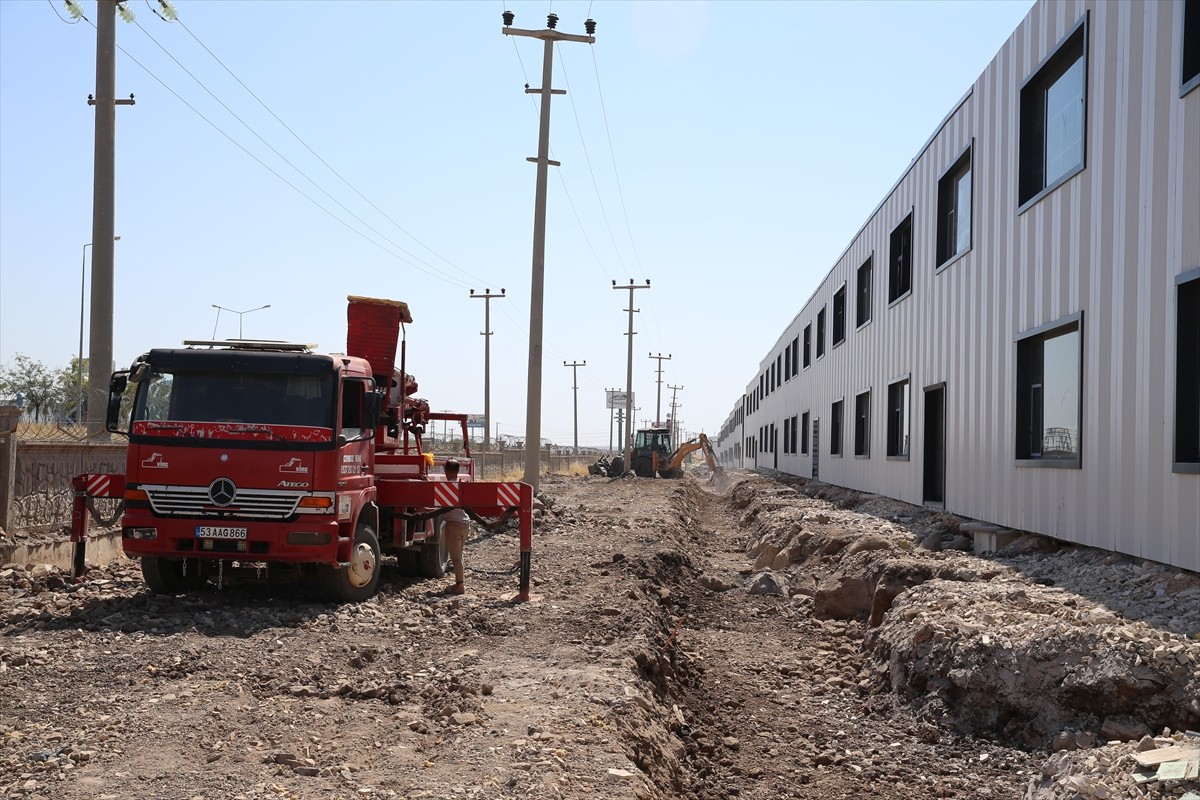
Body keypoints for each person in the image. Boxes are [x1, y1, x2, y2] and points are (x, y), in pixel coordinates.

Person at [440, 459, 471, 594]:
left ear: (445, 471)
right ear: (458, 471)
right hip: (465, 524)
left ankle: (460, 585)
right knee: (459, 555)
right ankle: (460, 581)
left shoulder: (445, 487)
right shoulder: (462, 486)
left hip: (453, 525)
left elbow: (438, 507)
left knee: (456, 558)